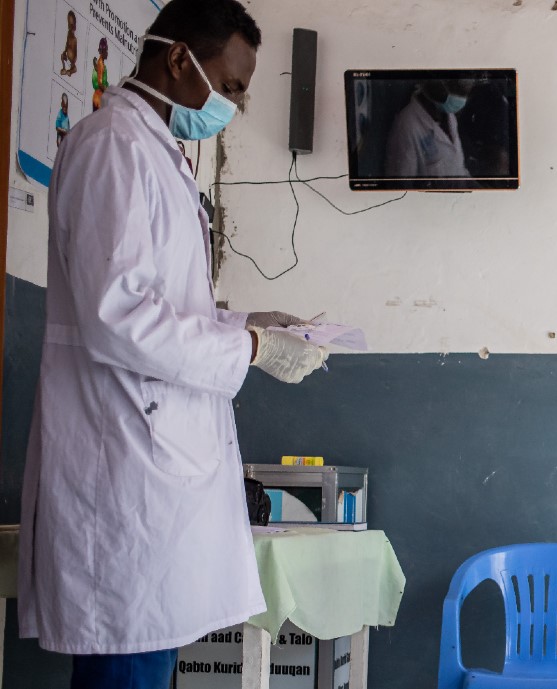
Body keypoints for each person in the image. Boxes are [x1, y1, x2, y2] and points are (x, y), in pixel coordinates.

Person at [18, 2, 327, 687]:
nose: (237, 104)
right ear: (180, 59)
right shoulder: (113, 147)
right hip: (124, 479)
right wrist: (247, 347)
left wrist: (247, 320)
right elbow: (118, 315)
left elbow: (160, 303)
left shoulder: (156, 153)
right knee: (128, 666)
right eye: (233, 85)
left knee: (146, 660)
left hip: (155, 482)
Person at [384, 79, 475, 178]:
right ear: (438, 87)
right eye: (457, 91)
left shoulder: (449, 116)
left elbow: (458, 169)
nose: (461, 99)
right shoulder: (406, 127)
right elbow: (401, 187)